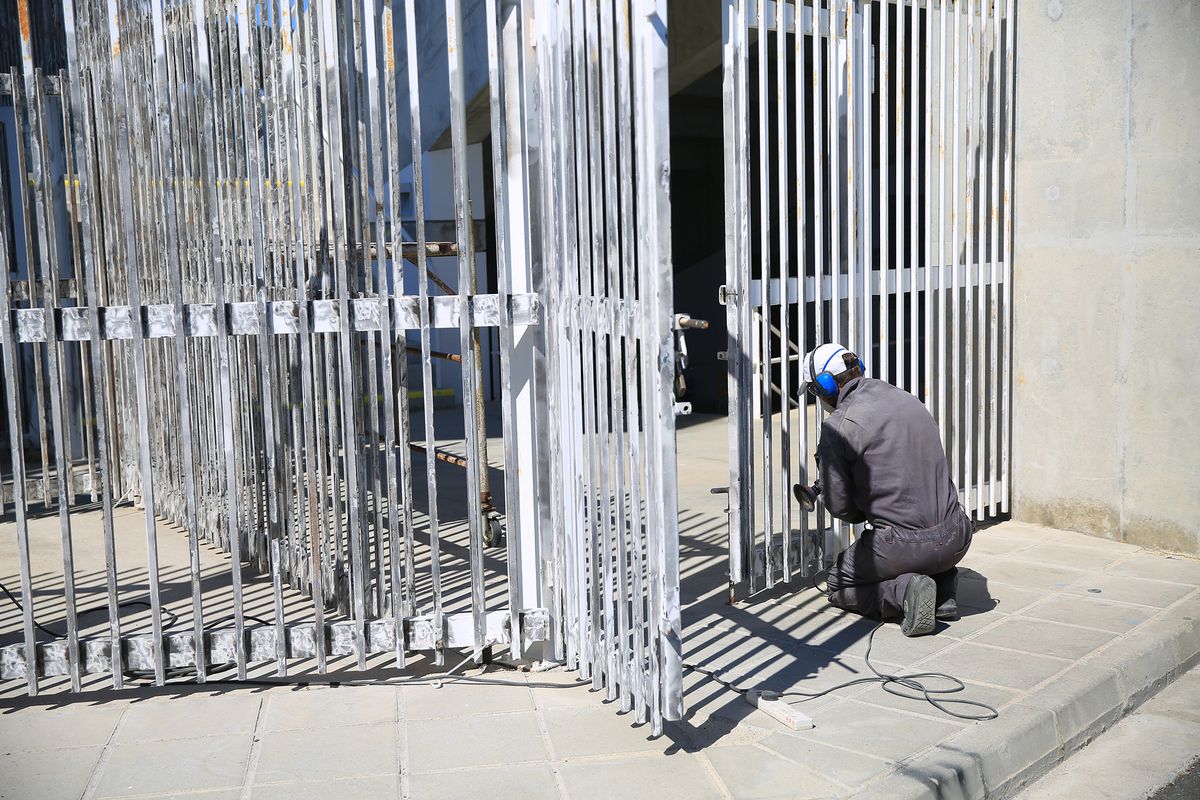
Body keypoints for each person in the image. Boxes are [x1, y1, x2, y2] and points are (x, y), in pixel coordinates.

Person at [797, 342, 973, 637]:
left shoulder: (837, 427)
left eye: (815, 391)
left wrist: (848, 492)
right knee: (926, 532)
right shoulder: (907, 399)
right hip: (958, 535)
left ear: (825, 385)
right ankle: (943, 589)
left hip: (902, 548)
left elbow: (842, 509)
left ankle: (904, 594)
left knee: (838, 582)